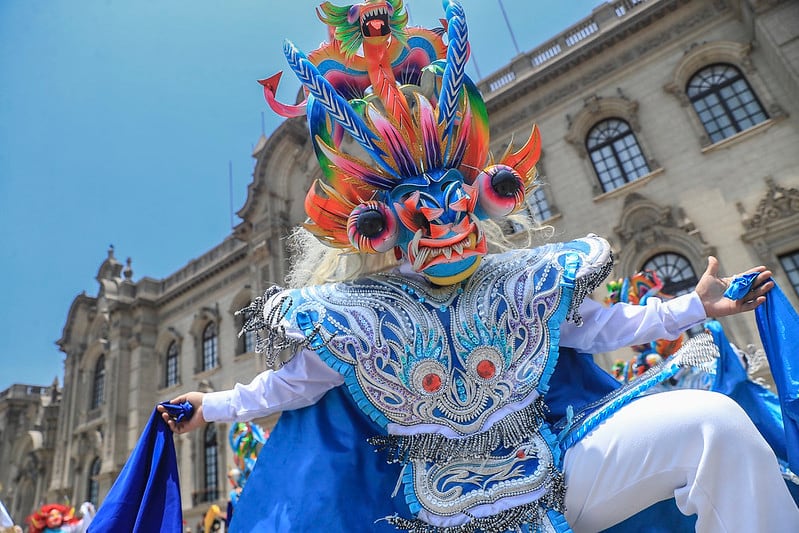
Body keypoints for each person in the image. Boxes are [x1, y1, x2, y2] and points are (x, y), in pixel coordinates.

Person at [159, 1, 799, 531]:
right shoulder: (357, 318)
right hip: (427, 511)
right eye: (419, 213)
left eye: (455, 202)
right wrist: (209, 406)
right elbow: (287, 388)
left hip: (557, 469)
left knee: (714, 427)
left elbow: (600, 328)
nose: (443, 224)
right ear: (379, 230)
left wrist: (693, 306)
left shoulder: (523, 282)